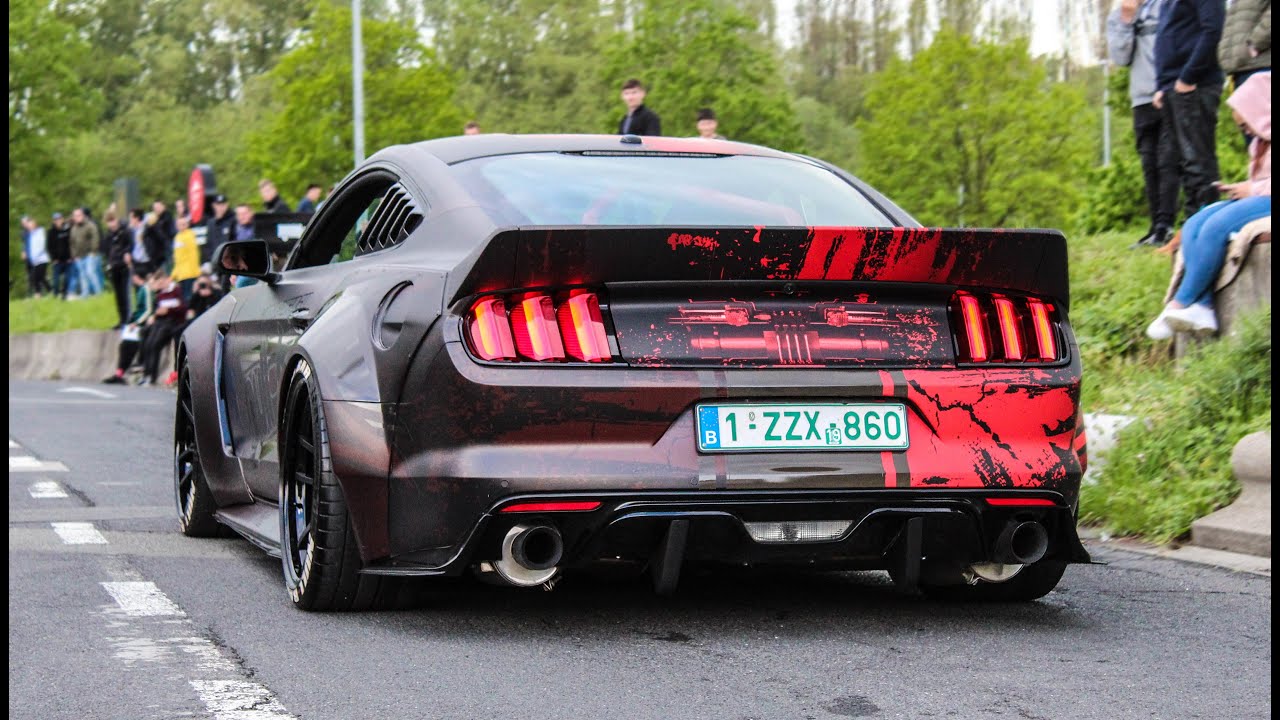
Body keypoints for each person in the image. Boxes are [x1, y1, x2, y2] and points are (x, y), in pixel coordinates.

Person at [1146, 71, 1270, 339]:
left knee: (1217, 226)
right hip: (1261, 196)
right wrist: (1242, 188)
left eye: (1247, 124)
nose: (1247, 132)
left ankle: (1179, 303)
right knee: (1196, 222)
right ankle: (1202, 306)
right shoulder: (1260, 144)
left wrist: (1253, 189)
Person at [1108, 0, 1180, 248]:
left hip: (1169, 92)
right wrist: (1127, 20)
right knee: (1149, 164)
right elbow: (1120, 57)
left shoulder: (1169, 6)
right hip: (1140, 99)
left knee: (1168, 161)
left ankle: (1165, 225)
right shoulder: (1118, 15)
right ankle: (1155, 226)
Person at [1153, 0, 1225, 217]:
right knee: (1180, 162)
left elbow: (1213, 30)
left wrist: (1188, 76)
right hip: (1172, 86)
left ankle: (1206, 223)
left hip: (1195, 84)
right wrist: (1163, 86)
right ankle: (1192, 224)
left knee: (1198, 162)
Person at [1218, 0, 1271, 146]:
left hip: (1261, 68)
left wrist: (1253, 46)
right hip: (1242, 69)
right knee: (1255, 147)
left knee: (1264, 142)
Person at [102, 270, 156, 384]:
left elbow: (148, 310)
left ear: (136, 277)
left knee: (129, 346)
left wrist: (137, 323)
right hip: (135, 323)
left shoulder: (146, 289)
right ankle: (119, 373)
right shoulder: (140, 290)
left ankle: (122, 373)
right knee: (124, 345)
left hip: (140, 324)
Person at [138, 271, 188, 386]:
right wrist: (156, 314)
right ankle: (146, 374)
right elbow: (157, 308)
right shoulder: (160, 294)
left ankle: (152, 376)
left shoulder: (176, 291)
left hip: (173, 322)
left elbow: (183, 308)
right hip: (161, 321)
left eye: (162, 283)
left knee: (155, 344)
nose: (161, 286)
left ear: (167, 280)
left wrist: (169, 310)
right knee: (149, 344)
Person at [103, 212, 133, 328]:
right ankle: (122, 319)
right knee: (118, 295)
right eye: (109, 222)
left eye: (113, 221)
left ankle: (128, 319)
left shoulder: (125, 232)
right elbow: (106, 249)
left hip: (124, 266)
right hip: (114, 266)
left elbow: (130, 245)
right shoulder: (108, 236)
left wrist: (126, 253)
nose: (111, 224)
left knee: (125, 293)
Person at [69, 207, 103, 296]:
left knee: (90, 272)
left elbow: (95, 238)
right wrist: (74, 255)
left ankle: (99, 293)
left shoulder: (90, 225)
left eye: (79, 215)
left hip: (90, 255)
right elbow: (72, 243)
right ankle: (85, 294)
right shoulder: (74, 229)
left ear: (83, 215)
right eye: (75, 216)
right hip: (79, 256)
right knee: (82, 275)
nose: (77, 217)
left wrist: (93, 251)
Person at [171, 215, 202, 300]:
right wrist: (174, 274)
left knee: (189, 298)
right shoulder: (177, 237)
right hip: (181, 275)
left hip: (190, 273)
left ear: (187, 224)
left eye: (184, 224)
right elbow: (177, 259)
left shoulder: (190, 235)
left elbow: (194, 255)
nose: (182, 226)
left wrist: (197, 272)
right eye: (180, 224)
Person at [20, 216, 50, 297]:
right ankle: (37, 293)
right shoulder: (26, 234)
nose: (26, 225)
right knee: (34, 277)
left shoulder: (39, 231)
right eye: (24, 224)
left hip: (40, 259)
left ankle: (45, 291)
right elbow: (25, 244)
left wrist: (35, 256)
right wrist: (23, 251)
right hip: (31, 259)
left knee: (40, 276)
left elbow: (41, 245)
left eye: (27, 223)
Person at [47, 212, 74, 300]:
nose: (58, 221)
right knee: (56, 280)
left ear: (62, 219)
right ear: (53, 221)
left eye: (59, 219)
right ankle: (55, 295)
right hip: (57, 261)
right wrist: (53, 259)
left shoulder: (67, 230)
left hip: (68, 259)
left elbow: (71, 243)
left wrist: (71, 257)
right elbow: (49, 247)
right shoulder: (51, 232)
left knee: (67, 279)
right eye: (56, 220)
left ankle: (64, 295)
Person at [204, 194, 235, 264]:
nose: (220, 207)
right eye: (218, 205)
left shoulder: (233, 220)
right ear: (214, 206)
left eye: (223, 205)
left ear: (227, 205)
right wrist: (209, 260)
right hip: (214, 261)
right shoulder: (210, 223)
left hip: (230, 261)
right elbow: (208, 243)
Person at [126, 208, 152, 275]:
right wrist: (128, 253)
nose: (130, 220)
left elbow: (149, 216)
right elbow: (130, 245)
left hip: (147, 261)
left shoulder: (146, 228)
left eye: (131, 218)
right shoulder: (132, 231)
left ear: (137, 218)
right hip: (136, 262)